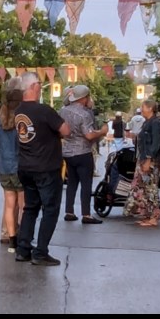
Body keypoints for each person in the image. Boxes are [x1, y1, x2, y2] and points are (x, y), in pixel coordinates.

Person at [14, 71, 71, 266]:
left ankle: (23, 249)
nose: (40, 87)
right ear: (32, 87)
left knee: (30, 208)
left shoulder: (18, 111)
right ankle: (41, 251)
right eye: (39, 83)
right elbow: (66, 130)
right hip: (46, 166)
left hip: (26, 166)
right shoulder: (44, 110)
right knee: (50, 209)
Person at [60, 85, 108, 225]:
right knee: (86, 183)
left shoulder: (63, 111)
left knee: (72, 183)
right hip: (83, 152)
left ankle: (69, 211)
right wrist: (102, 131)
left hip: (68, 151)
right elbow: (89, 135)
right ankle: (86, 214)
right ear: (84, 98)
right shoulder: (84, 114)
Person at [0, 79, 25, 251]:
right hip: (19, 167)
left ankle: (10, 237)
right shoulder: (21, 123)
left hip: (3, 167)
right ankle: (24, 237)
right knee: (24, 206)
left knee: (9, 204)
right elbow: (24, 147)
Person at [123, 98, 160, 227]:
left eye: (143, 107)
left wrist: (148, 159)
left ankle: (154, 216)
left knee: (150, 187)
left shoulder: (155, 123)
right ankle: (147, 214)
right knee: (143, 188)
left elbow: (156, 143)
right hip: (143, 159)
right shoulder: (148, 122)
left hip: (150, 160)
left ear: (150, 108)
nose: (141, 109)